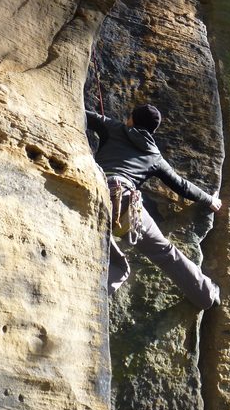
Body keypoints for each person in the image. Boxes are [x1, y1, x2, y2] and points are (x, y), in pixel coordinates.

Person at [85, 103, 221, 310]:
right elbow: (181, 185)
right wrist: (209, 200)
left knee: (117, 266)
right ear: (153, 130)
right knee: (164, 252)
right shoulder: (154, 157)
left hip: (93, 191)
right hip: (125, 207)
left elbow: (80, 112)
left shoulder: (112, 127)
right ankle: (206, 294)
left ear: (131, 119)